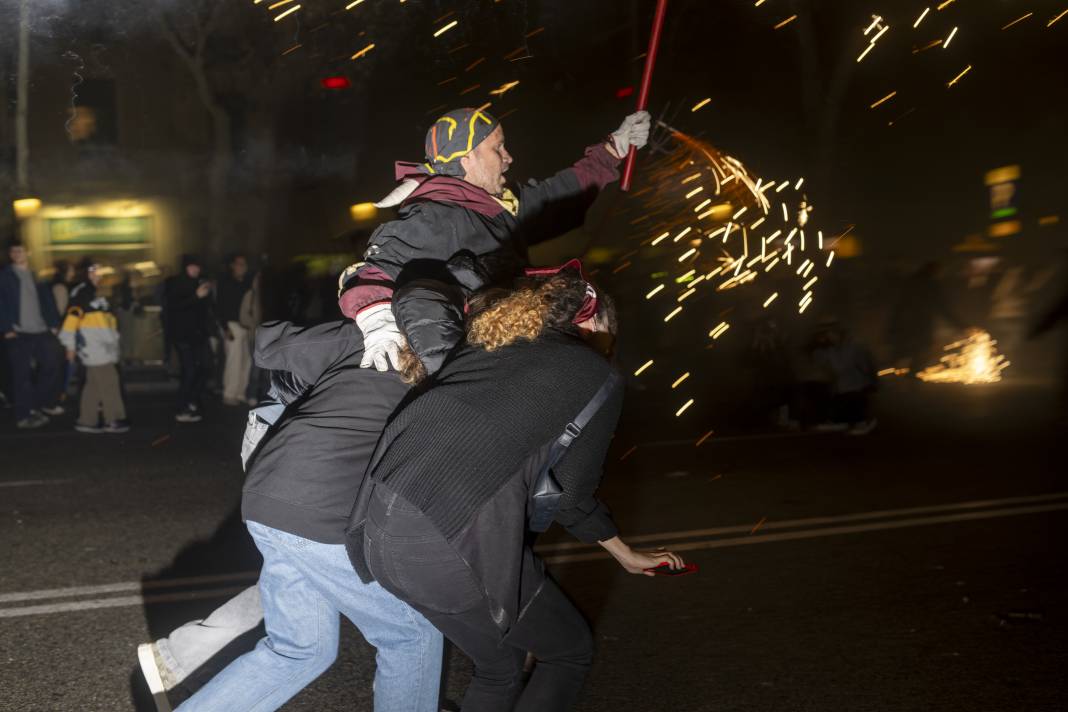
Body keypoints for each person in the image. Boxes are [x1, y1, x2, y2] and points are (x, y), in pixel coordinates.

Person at [347, 266, 685, 711]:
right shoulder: (595, 373)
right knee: (567, 651)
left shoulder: (488, 342)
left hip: (377, 532)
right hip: (444, 547)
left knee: (501, 663)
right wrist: (626, 554)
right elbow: (572, 495)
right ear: (594, 321)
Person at [160, 316, 442, 712]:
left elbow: (269, 343)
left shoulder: (370, 334)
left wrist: (354, 326)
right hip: (318, 507)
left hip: (268, 489)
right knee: (411, 636)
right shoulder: (453, 355)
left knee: (301, 649)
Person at [338, 106, 651, 371]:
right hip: (464, 369)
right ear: (467, 159)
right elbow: (374, 271)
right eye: (498, 148)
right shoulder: (439, 215)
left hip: (498, 357)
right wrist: (377, 317)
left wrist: (612, 150)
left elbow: (556, 197)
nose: (508, 157)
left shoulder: (493, 207)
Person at [0, 239, 64, 428]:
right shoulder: (5, 276)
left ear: (27, 253)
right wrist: (7, 328)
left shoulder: (37, 276)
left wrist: (54, 324)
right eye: (13, 252)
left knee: (53, 364)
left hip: (41, 330)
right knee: (22, 375)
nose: (16, 254)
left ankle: (40, 403)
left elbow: (48, 301)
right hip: (18, 333)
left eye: (20, 251)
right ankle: (24, 415)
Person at [59, 261, 129, 433]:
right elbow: (70, 321)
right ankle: (112, 419)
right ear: (86, 273)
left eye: (99, 270)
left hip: (98, 346)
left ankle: (87, 420)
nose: (98, 274)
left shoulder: (91, 292)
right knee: (109, 381)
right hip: (95, 347)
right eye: (93, 271)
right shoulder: (83, 292)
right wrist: (70, 346)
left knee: (94, 385)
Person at [164, 255, 213, 423]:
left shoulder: (200, 282)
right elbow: (174, 307)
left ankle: (192, 399)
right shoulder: (176, 283)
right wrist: (196, 296)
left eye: (198, 267)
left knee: (206, 367)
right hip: (182, 335)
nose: (196, 270)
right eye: (192, 266)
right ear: (185, 267)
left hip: (199, 334)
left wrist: (206, 295)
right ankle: (181, 407)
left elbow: (205, 310)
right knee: (189, 371)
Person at [810, 318, 878, 435]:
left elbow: (866, 365)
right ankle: (842, 421)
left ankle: (862, 422)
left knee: (853, 399)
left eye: (828, 333)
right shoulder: (829, 349)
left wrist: (871, 381)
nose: (827, 336)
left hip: (856, 387)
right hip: (842, 387)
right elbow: (825, 364)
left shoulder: (854, 346)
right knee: (841, 399)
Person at [216, 253, 253, 405]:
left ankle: (240, 392)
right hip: (231, 324)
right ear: (232, 266)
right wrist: (225, 327)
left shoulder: (247, 283)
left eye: (244, 264)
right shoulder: (225, 282)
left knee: (246, 360)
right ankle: (229, 393)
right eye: (239, 264)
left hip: (246, 325)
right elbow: (220, 306)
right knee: (234, 360)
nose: (242, 267)